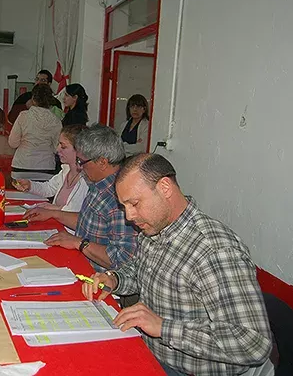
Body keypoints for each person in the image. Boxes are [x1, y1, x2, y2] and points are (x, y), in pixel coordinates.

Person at [82, 153, 273, 376]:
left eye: (134, 203)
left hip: (190, 369)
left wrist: (163, 327)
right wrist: (114, 279)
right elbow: (139, 270)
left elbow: (253, 343)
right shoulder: (153, 227)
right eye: (124, 207)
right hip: (152, 353)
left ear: (165, 188)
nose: (129, 216)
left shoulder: (214, 251)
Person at [24, 124, 138, 275]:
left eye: (82, 162)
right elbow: (89, 222)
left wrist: (79, 243)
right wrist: (54, 214)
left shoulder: (119, 198)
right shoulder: (98, 184)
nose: (79, 167)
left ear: (102, 162)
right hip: (79, 262)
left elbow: (122, 259)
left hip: (97, 276)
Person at [13, 124, 89, 221]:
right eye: (59, 144)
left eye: (63, 146)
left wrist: (54, 209)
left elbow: (78, 211)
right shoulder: (65, 170)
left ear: (79, 150)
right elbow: (49, 188)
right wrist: (30, 185)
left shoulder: (88, 179)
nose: (57, 149)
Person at [8, 84, 62, 173]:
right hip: (45, 167)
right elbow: (57, 147)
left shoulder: (23, 116)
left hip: (21, 166)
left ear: (33, 99)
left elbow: (13, 143)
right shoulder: (56, 121)